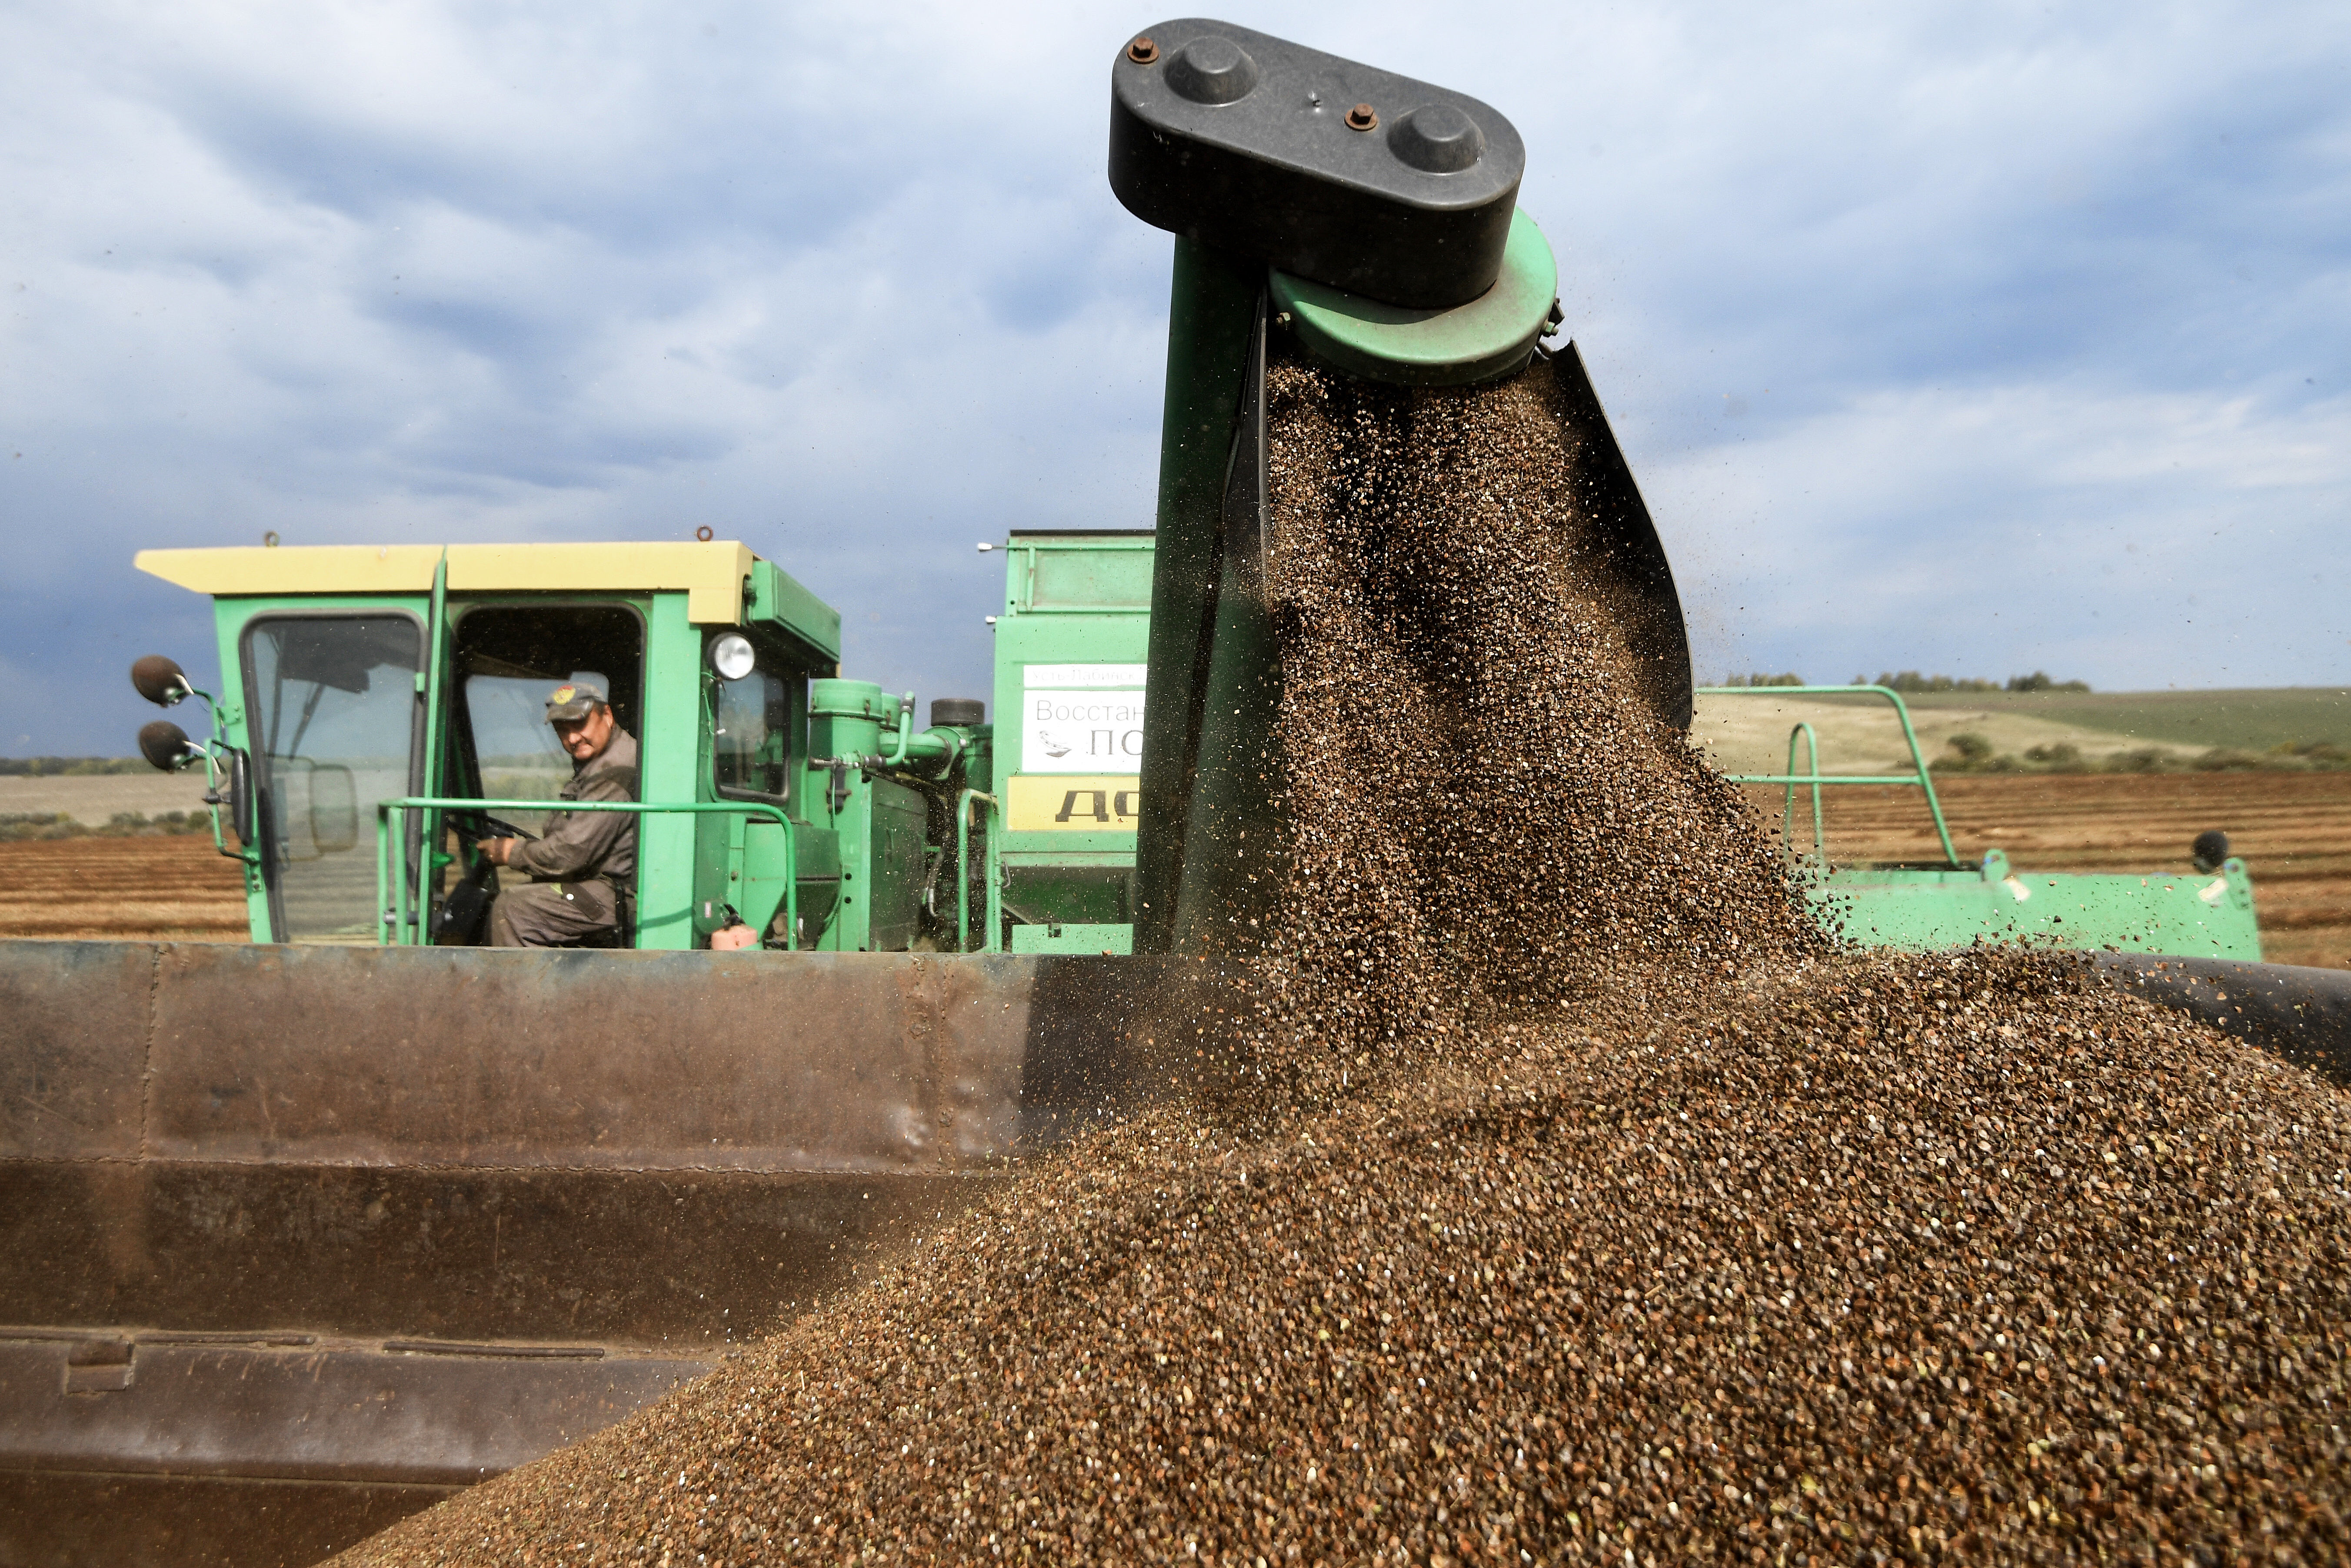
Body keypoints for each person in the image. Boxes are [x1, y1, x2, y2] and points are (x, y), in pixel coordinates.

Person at [481, 678, 639, 947]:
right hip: (599, 888)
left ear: (607, 715)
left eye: (579, 725)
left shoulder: (614, 771)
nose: (572, 738)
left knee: (512, 909)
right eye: (562, 730)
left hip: (615, 895)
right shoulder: (600, 762)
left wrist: (512, 852)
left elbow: (571, 853)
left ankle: (520, 990)